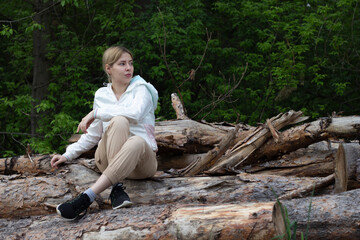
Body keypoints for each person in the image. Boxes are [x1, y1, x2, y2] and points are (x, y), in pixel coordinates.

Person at [50, 46, 158, 221]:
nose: (128, 68)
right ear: (109, 68)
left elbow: (136, 114)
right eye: (122, 64)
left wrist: (95, 113)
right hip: (107, 159)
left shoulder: (142, 89)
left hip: (141, 164)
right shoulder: (101, 95)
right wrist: (68, 154)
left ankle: (86, 198)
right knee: (119, 121)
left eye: (130, 63)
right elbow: (93, 135)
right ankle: (116, 187)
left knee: (136, 140)